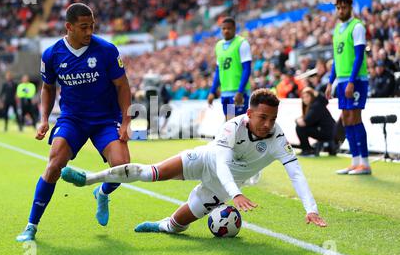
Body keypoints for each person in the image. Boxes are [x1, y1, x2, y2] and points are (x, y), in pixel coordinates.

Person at [61, 89, 327, 235]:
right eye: (263, 118)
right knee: (151, 172)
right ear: (249, 114)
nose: (268, 124)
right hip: (206, 161)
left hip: (222, 188)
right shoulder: (232, 126)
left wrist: (311, 208)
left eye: (272, 118)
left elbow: (296, 173)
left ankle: (160, 225)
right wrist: (236, 193)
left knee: (178, 225)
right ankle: (90, 179)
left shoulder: (278, 138)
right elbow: (221, 164)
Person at [16, 3, 132, 242]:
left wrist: (125, 121)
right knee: (54, 163)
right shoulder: (51, 54)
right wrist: (43, 119)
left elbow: (122, 86)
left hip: (104, 119)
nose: (89, 31)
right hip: (72, 119)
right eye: (83, 27)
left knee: (122, 168)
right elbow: (47, 89)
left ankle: (101, 191)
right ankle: (31, 225)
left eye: (92, 26)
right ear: (69, 27)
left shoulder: (107, 50)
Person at [325, 0, 371, 175]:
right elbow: (336, 59)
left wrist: (352, 80)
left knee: (355, 118)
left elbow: (359, 56)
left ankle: (365, 162)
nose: (340, 10)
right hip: (342, 81)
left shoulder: (357, 26)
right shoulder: (337, 30)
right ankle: (354, 161)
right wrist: (330, 82)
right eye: (338, 7)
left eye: (344, 7)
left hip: (356, 80)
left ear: (350, 8)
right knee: (346, 119)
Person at [207, 17, 252, 120]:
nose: (226, 31)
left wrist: (240, 91)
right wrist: (212, 91)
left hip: (238, 92)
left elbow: (247, 69)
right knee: (230, 123)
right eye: (223, 28)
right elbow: (218, 71)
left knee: (240, 123)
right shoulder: (219, 45)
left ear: (235, 28)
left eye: (229, 28)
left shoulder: (242, 43)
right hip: (225, 92)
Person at [295, 87, 336, 156]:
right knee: (301, 127)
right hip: (328, 132)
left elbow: (304, 123)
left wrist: (296, 120)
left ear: (312, 96)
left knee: (300, 128)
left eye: (307, 96)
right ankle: (308, 149)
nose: (305, 99)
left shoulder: (315, 106)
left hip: (328, 133)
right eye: (303, 97)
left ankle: (307, 150)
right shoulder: (315, 105)